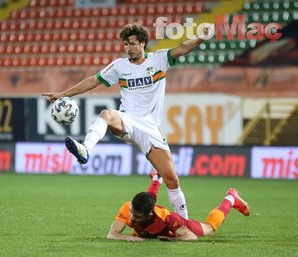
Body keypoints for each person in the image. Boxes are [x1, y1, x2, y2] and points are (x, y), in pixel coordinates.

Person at [42, 23, 210, 218]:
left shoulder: (159, 59)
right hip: (127, 119)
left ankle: (184, 222)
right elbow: (93, 81)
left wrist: (201, 38)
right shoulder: (119, 66)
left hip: (150, 128)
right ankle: (85, 149)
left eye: (131, 44)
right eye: (125, 44)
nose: (127, 48)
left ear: (142, 43)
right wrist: (63, 94)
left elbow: (181, 49)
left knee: (172, 179)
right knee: (107, 114)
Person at [107, 171, 250, 242]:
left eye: (136, 216)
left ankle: (230, 198)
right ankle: (157, 177)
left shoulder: (167, 219)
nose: (131, 217)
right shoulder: (128, 207)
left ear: (149, 215)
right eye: (132, 212)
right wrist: (126, 238)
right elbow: (112, 234)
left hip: (175, 223)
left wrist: (173, 239)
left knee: (210, 228)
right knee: (147, 201)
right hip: (151, 216)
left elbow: (191, 236)